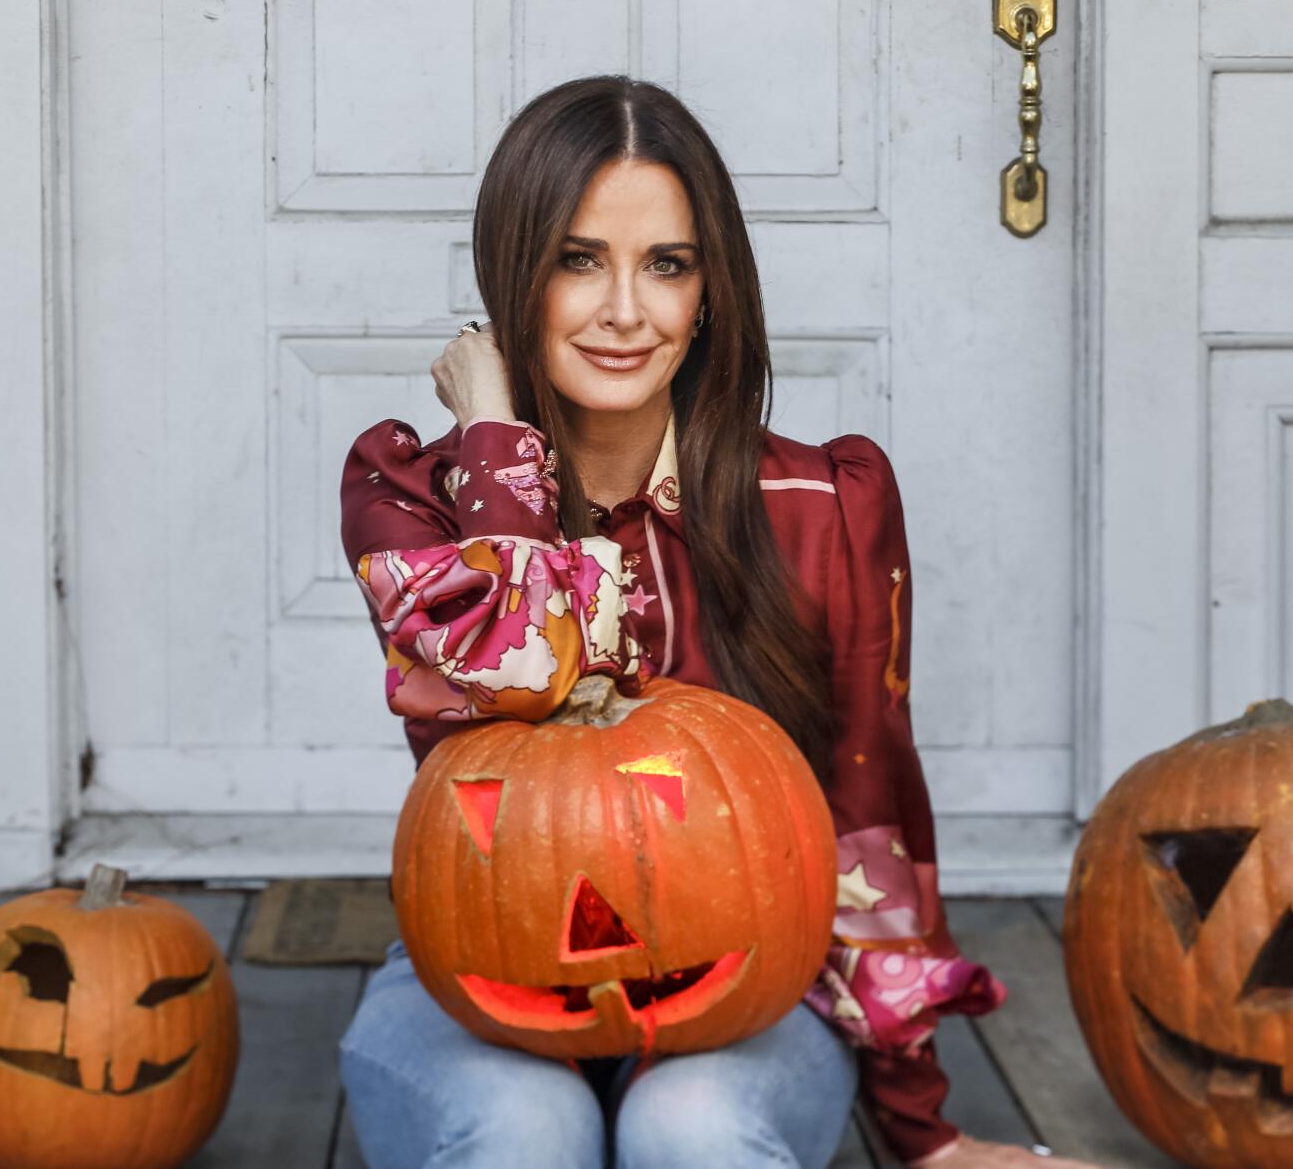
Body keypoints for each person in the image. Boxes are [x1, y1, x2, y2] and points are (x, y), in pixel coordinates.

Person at [336, 76, 1096, 1169]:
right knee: (522, 1129)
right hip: (480, 960)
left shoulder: (824, 508)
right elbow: (513, 679)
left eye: (666, 264)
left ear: (710, 291)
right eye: (576, 258)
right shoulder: (409, 496)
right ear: (513, 268)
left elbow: (866, 820)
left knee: (685, 1125)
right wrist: (494, 438)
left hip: (743, 969)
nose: (624, 311)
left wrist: (923, 1135)